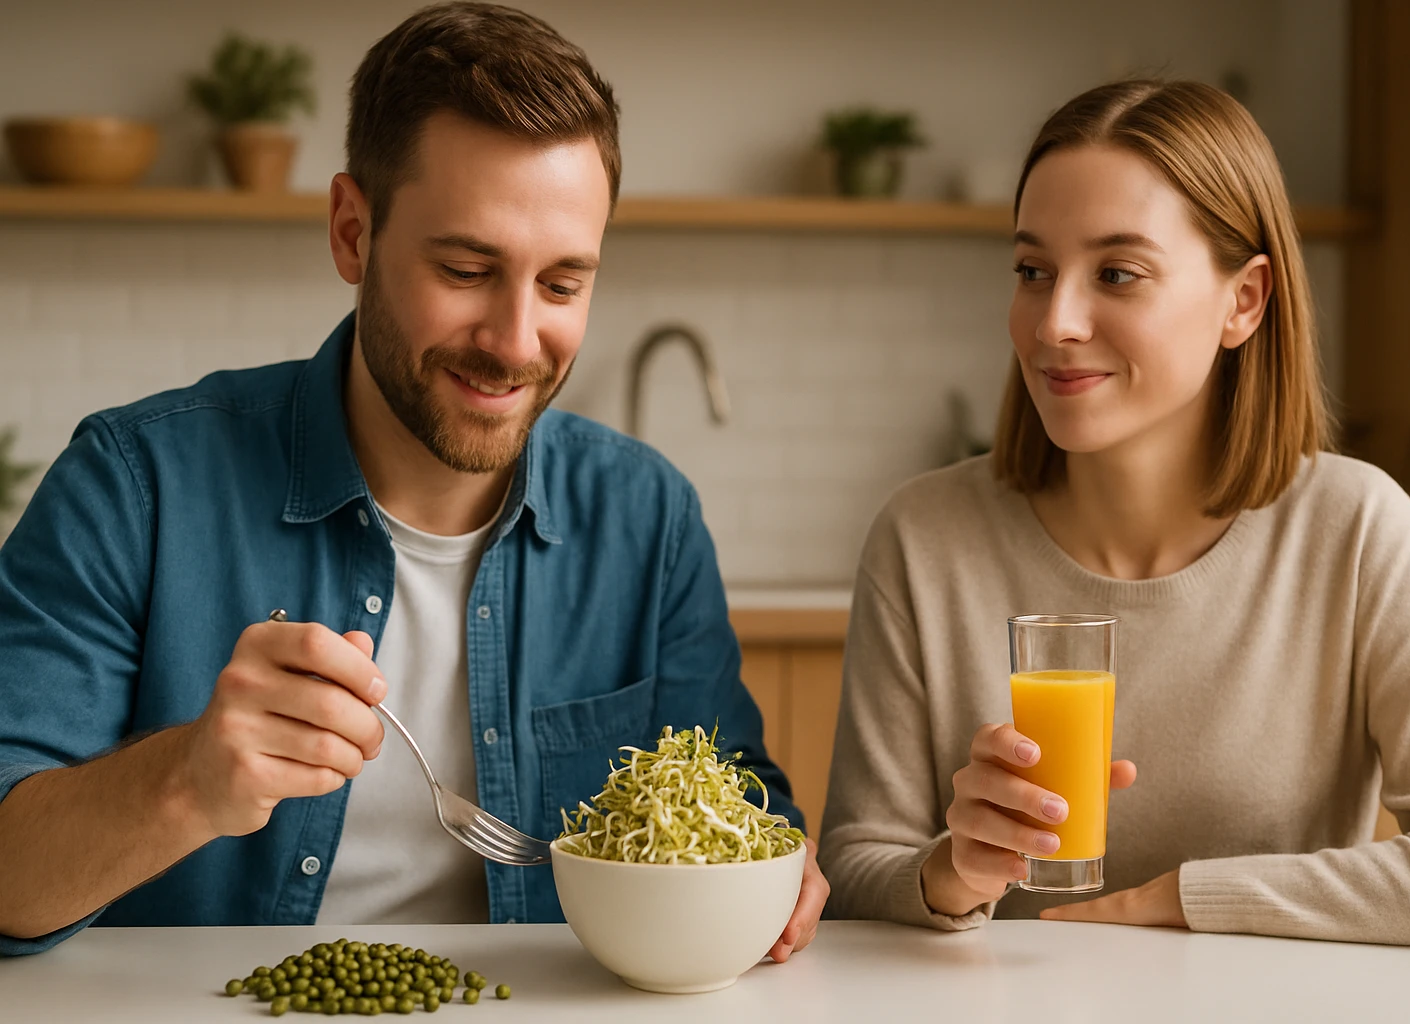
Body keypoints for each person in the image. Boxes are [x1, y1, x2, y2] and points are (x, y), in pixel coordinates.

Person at [0, 2, 827, 957]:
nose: (517, 342)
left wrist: (776, 878)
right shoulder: (136, 486)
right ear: (353, 232)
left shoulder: (649, 517)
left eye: (562, 285)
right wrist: (187, 779)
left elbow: (747, 814)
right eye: (468, 269)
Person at [818, 78, 1410, 951]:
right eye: (1033, 271)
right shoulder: (924, 535)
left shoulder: (1355, 531)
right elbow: (852, 871)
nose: (1056, 322)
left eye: (1117, 273)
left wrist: (1185, 899)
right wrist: (950, 870)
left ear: (1245, 301)